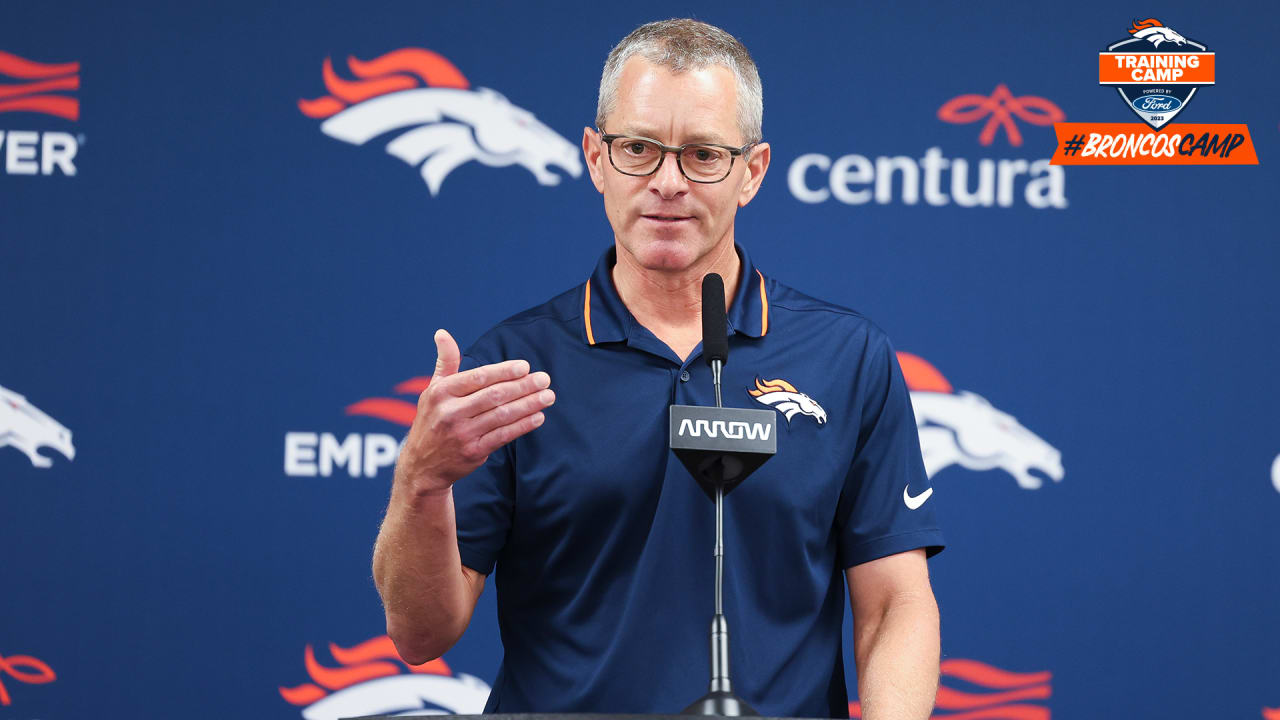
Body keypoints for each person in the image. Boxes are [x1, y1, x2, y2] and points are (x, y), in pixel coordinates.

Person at [372, 18, 944, 720]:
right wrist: (420, 482)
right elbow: (421, 634)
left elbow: (894, 608)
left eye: (703, 154)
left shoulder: (847, 358)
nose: (667, 182)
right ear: (595, 158)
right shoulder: (510, 370)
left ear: (752, 172)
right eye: (638, 148)